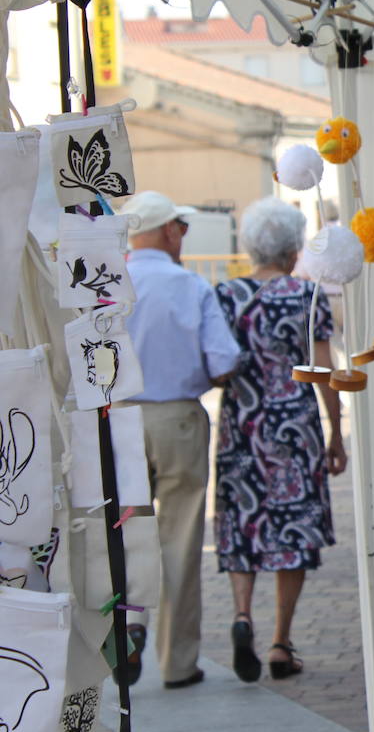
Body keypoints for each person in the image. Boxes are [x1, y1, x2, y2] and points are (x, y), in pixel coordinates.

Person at [214, 198, 346, 682]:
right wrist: (335, 433)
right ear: (294, 249)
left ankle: (242, 613)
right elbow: (325, 370)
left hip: (241, 424)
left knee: (243, 520)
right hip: (295, 427)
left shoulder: (225, 295)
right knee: (292, 530)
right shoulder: (306, 297)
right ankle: (279, 641)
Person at [118, 191, 242, 689]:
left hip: (119, 417)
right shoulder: (191, 286)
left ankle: (129, 625)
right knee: (182, 537)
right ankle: (177, 661)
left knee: (126, 535)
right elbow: (224, 360)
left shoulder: (110, 283)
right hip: (179, 417)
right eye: (181, 228)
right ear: (168, 230)